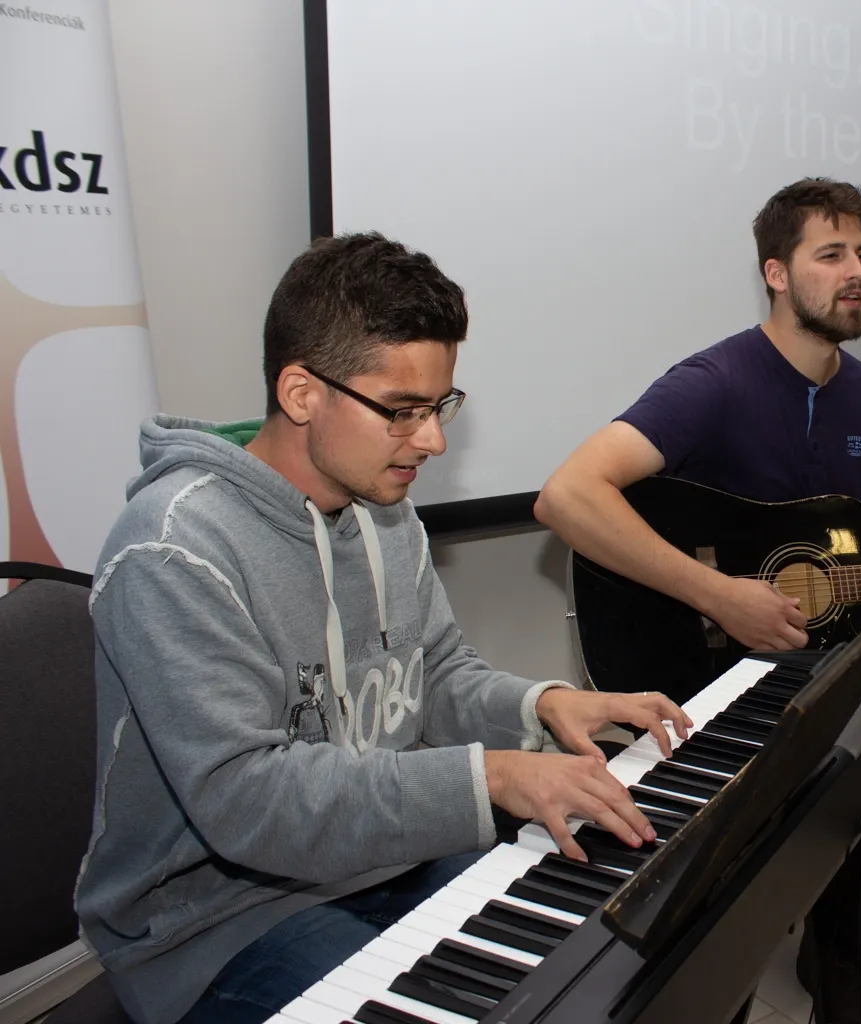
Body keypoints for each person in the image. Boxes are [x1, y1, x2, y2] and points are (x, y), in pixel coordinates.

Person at [76, 233, 693, 1024]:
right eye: (403, 411)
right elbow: (248, 803)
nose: (432, 439)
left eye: (440, 408)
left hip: (380, 862)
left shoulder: (384, 511)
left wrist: (541, 706)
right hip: (215, 921)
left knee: (603, 956)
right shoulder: (172, 550)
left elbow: (431, 674)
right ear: (302, 393)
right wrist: (495, 777)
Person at [534, 178, 861, 1024]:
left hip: (838, 632)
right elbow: (566, 497)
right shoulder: (714, 381)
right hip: (722, 653)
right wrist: (720, 595)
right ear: (776, 273)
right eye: (831, 254)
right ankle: (841, 959)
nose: (856, 272)